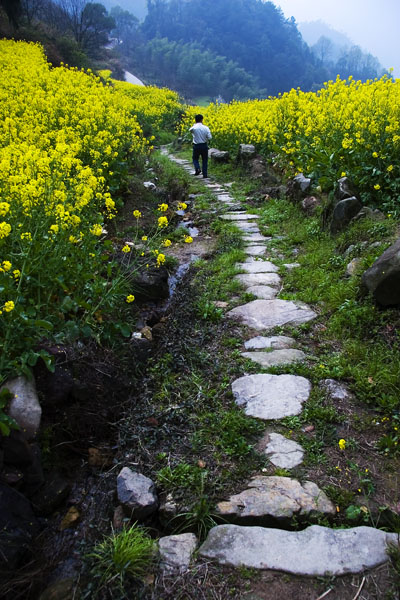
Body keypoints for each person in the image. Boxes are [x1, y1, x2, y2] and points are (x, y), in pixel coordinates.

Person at [189, 114, 212, 178]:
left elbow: (190, 130)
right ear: (202, 120)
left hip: (196, 146)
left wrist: (194, 125)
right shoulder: (206, 128)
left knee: (195, 158)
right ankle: (205, 174)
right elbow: (210, 137)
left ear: (195, 120)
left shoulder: (194, 128)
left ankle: (198, 168)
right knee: (204, 160)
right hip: (204, 145)